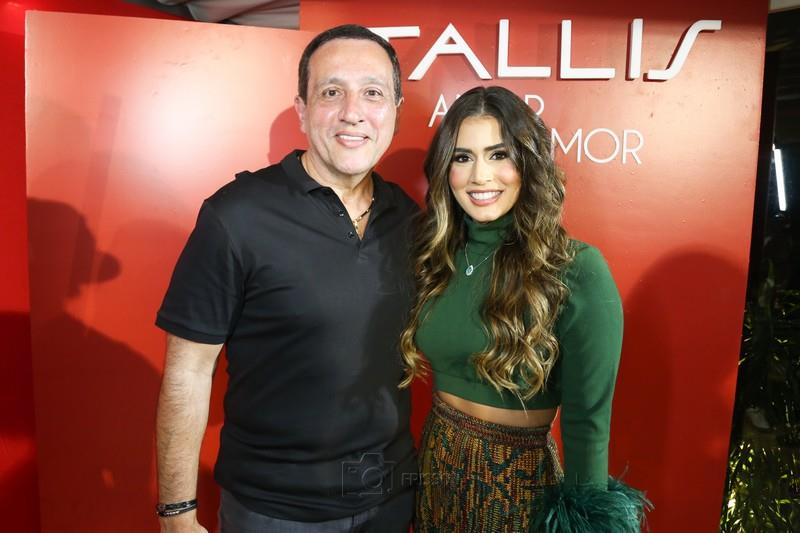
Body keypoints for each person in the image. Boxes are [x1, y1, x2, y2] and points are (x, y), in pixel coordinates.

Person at [154, 24, 418, 532]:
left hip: (390, 501)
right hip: (272, 512)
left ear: (395, 111)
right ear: (302, 109)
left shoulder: (409, 219)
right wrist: (176, 513)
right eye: (331, 92)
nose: (353, 112)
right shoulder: (236, 216)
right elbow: (188, 372)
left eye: (373, 93)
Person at [399, 86, 651, 532]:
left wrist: (586, 521)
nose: (480, 176)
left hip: (518, 487)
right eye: (462, 157)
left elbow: (587, 419)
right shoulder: (437, 255)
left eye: (499, 155)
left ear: (528, 163)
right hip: (437, 469)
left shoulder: (576, 267)